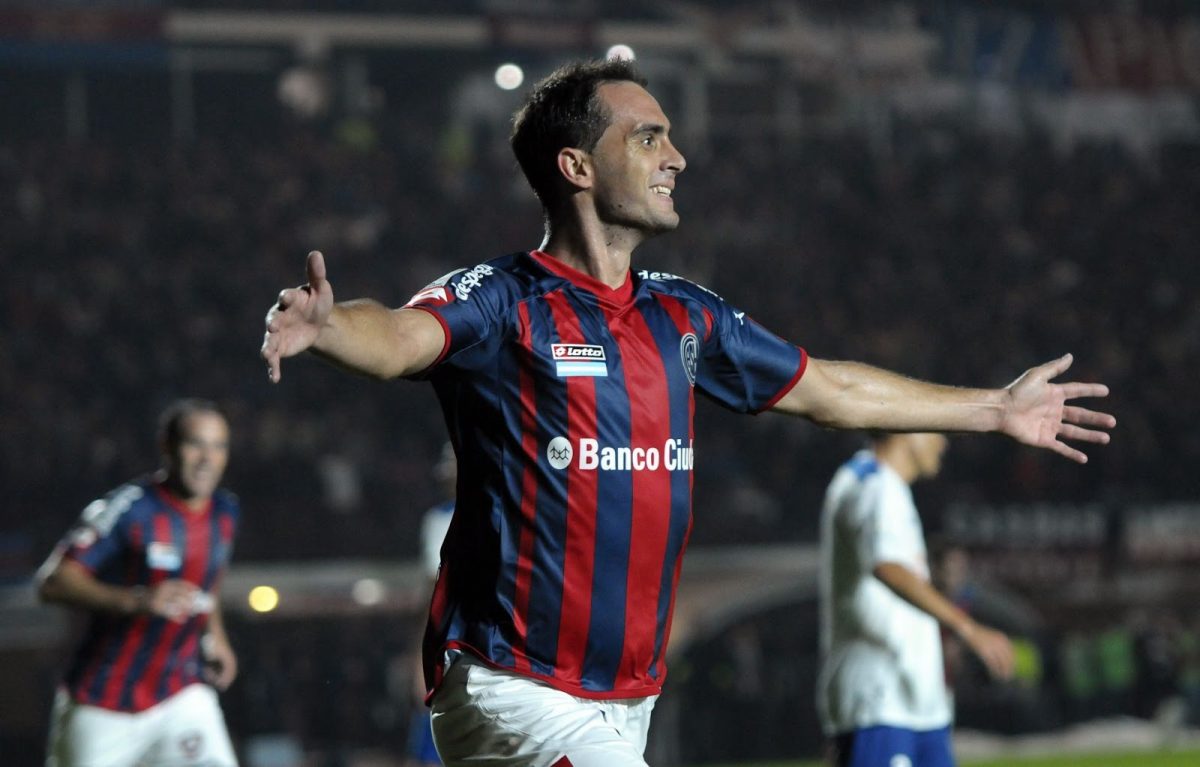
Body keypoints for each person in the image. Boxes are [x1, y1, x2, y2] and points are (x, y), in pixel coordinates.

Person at [259, 59, 1114, 767]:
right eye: (649, 137)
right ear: (577, 167)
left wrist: (996, 408)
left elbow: (830, 389)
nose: (678, 156)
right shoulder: (506, 299)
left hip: (626, 697)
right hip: (515, 685)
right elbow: (399, 336)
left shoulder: (682, 314)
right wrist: (330, 326)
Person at [36, 399, 240, 767]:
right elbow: (53, 582)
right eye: (195, 444)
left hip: (180, 694)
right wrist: (138, 601)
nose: (207, 459)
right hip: (103, 703)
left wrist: (216, 637)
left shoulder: (225, 512)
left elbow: (208, 582)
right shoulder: (129, 510)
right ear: (167, 447)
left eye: (218, 447)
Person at [816, 433, 1015, 767]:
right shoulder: (874, 486)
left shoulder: (886, 486)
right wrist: (968, 628)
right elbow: (887, 565)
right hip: (880, 701)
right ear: (907, 432)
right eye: (936, 429)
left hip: (916, 704)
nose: (943, 443)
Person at [404, 443, 456, 767]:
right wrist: (417, 660)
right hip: (446, 648)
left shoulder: (506, 514)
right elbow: (430, 597)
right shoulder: (437, 521)